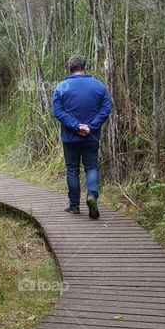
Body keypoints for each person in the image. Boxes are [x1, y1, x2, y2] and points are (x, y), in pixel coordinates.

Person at [51, 54, 112, 218]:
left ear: (70, 69)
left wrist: (75, 126)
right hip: (91, 137)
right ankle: (92, 195)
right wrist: (90, 127)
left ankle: (74, 205)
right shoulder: (99, 86)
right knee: (91, 167)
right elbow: (106, 109)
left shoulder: (61, 87)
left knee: (72, 169)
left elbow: (58, 111)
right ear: (85, 67)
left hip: (70, 138)